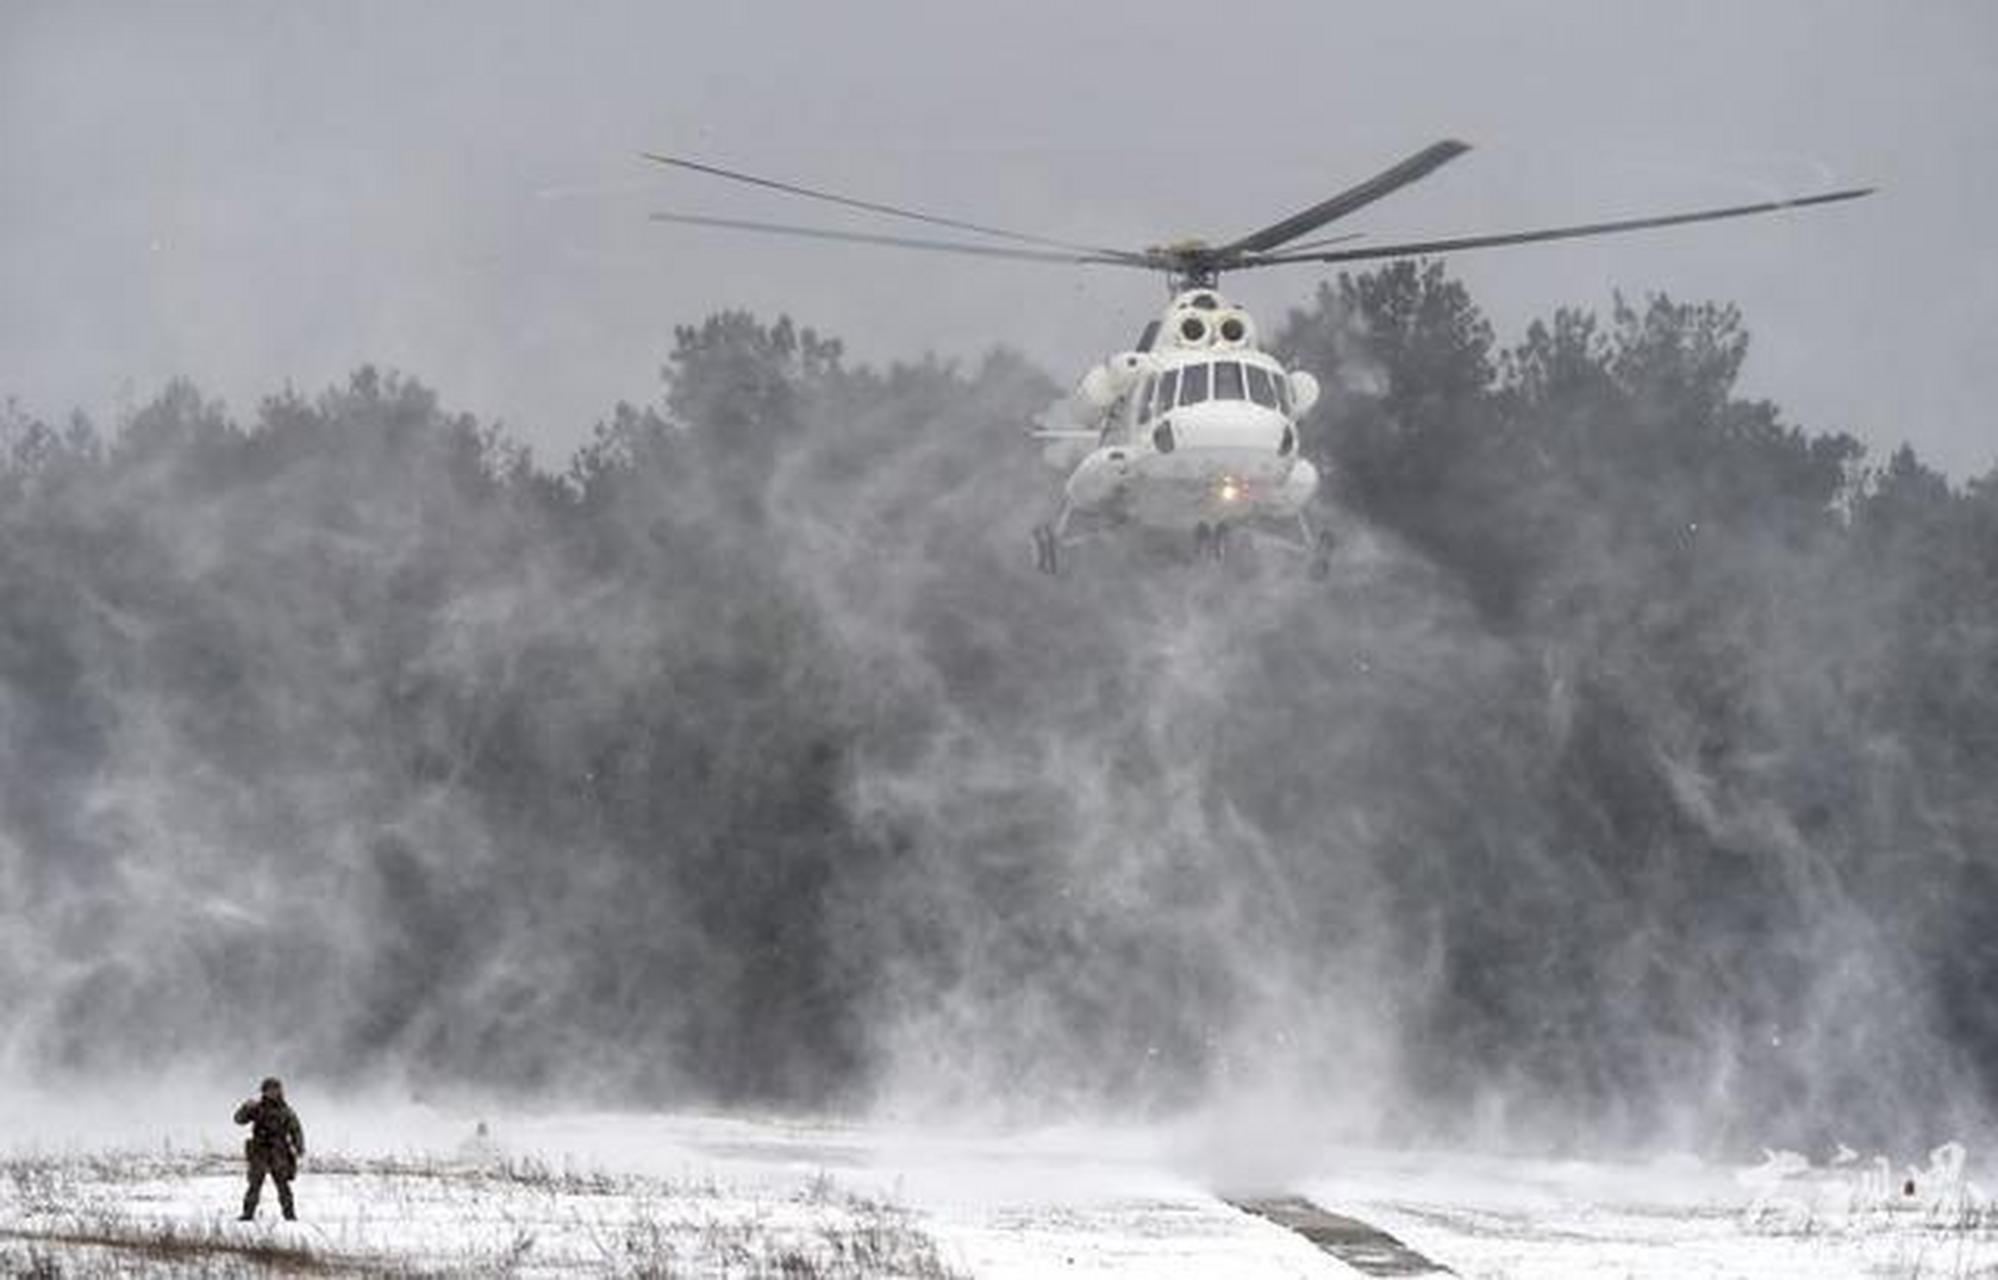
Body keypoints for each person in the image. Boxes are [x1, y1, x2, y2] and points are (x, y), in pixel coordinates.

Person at [233, 1076, 305, 1221]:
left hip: (279, 1152)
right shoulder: (256, 1108)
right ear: (264, 1091)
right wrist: (245, 1107)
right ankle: (248, 1214)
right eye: (269, 1090)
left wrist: (299, 1146)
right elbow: (239, 1120)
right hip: (259, 1151)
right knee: (254, 1184)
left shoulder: (286, 1111)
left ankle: (289, 1215)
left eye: (275, 1089)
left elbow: (296, 1129)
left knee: (283, 1186)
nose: (273, 1092)